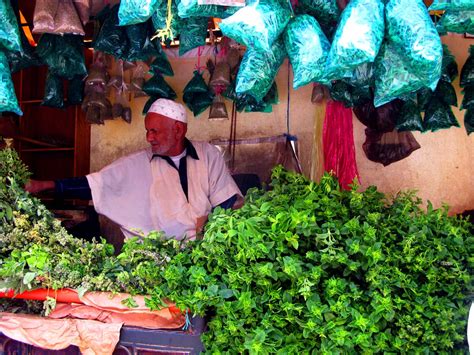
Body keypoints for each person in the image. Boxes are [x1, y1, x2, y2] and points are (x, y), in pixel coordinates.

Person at [26, 98, 243, 240]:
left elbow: (227, 198)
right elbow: (97, 185)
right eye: (147, 131)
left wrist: (208, 229)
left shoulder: (208, 155)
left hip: (203, 256)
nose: (149, 137)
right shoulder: (137, 163)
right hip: (156, 260)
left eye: (155, 131)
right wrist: (46, 185)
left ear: (178, 130)